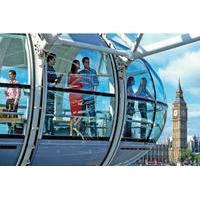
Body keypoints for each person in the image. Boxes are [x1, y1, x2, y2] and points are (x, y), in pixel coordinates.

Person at [79, 57, 99, 137]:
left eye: (88, 62)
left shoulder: (93, 72)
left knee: (92, 116)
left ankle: (93, 134)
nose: (87, 64)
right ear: (83, 63)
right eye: (86, 62)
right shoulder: (80, 73)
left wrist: (90, 80)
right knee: (82, 116)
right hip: (82, 97)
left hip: (90, 97)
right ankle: (82, 134)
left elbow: (96, 83)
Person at [45, 53, 63, 135]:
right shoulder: (46, 69)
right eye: (54, 59)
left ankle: (50, 129)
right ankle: (47, 130)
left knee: (50, 111)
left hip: (52, 93)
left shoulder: (52, 69)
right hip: (48, 93)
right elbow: (45, 82)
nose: (55, 61)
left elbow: (55, 82)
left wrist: (59, 78)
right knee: (48, 111)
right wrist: (53, 83)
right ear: (50, 59)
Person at [68, 60, 82, 136]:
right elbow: (69, 84)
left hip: (79, 95)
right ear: (75, 65)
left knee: (79, 114)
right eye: (78, 64)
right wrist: (77, 79)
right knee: (73, 114)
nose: (80, 65)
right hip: (73, 95)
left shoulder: (79, 74)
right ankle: (70, 132)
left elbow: (81, 85)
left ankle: (77, 133)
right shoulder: (70, 73)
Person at [4, 70, 21, 134]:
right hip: (8, 100)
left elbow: (18, 93)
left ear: (14, 75)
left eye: (10, 74)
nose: (9, 75)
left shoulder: (17, 82)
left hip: (14, 100)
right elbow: (6, 91)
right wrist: (6, 95)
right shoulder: (8, 82)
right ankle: (10, 129)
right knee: (7, 116)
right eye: (9, 74)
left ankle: (13, 130)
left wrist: (16, 101)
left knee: (13, 115)